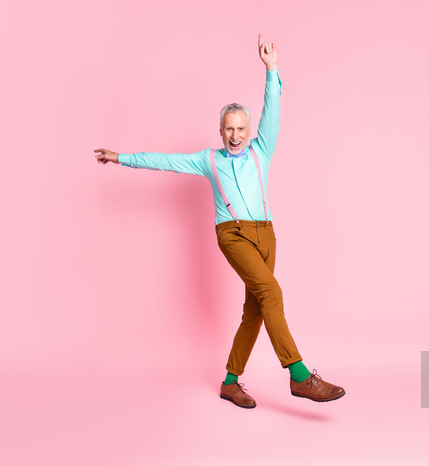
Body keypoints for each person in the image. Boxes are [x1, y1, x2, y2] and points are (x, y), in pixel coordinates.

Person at [94, 34, 344, 409]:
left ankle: (230, 382)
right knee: (272, 293)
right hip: (232, 235)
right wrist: (121, 157)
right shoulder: (207, 160)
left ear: (249, 130)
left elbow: (271, 110)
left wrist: (271, 69)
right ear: (220, 130)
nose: (235, 135)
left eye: (241, 128)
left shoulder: (262, 150)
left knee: (256, 310)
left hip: (266, 234)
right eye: (229, 128)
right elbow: (164, 160)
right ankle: (299, 376)